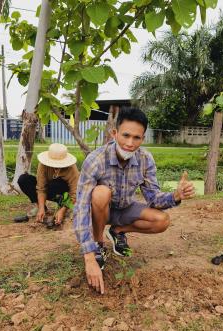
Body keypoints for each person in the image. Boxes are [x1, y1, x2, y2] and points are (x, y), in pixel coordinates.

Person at [73, 107, 196, 294]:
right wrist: (88, 256)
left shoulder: (145, 159)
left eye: (136, 138)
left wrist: (175, 196)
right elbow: (81, 207)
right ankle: (98, 245)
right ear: (114, 133)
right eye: (126, 135)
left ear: (143, 138)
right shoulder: (95, 160)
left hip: (124, 208)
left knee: (162, 220)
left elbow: (153, 198)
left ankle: (118, 231)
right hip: (99, 211)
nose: (130, 143)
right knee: (100, 193)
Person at [16, 143, 79, 225]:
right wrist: (41, 207)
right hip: (49, 189)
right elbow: (41, 188)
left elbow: (75, 193)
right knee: (24, 179)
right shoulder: (43, 165)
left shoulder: (72, 169)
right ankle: (42, 209)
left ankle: (63, 208)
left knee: (56, 183)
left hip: (64, 194)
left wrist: (63, 210)